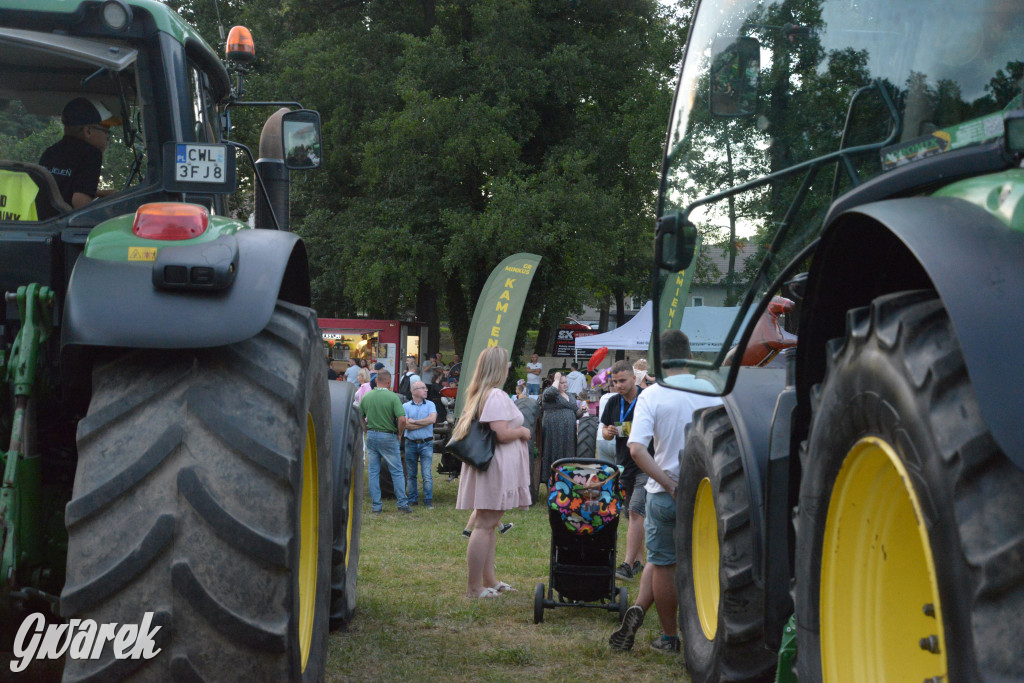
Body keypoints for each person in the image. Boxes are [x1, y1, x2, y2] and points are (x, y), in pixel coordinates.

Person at [609, 331, 721, 653]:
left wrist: (670, 484)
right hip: (707, 492)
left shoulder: (653, 395)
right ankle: (699, 624)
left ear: (660, 360)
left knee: (662, 562)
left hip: (665, 492)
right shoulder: (713, 391)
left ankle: (670, 638)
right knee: (699, 562)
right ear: (689, 354)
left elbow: (636, 449)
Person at [455, 346, 531, 598]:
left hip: (490, 467)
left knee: (487, 524)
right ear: (500, 367)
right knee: (485, 524)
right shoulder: (496, 395)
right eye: (507, 364)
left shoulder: (481, 393)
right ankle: (474, 587)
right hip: (495, 468)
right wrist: (523, 432)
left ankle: (488, 580)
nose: (509, 367)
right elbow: (501, 433)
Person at [600, 360, 648, 581]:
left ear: (633, 378)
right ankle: (640, 561)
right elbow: (605, 433)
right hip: (623, 464)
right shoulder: (612, 402)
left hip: (647, 464)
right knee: (630, 514)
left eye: (622, 381)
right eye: (615, 381)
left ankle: (627, 565)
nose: (618, 385)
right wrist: (609, 432)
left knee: (636, 511)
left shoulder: (647, 399)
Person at [38, 97, 120, 209]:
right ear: (88, 131)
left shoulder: (50, 152)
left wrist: (98, 193)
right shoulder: (91, 154)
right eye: (106, 131)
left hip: (43, 221)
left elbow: (62, 189)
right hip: (65, 224)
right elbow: (79, 202)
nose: (107, 137)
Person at [359, 370, 412, 514]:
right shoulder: (392, 397)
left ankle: (376, 506)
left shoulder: (367, 396)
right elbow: (402, 419)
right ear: (389, 382)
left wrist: (366, 430)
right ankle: (402, 503)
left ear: (376, 381)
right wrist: (400, 434)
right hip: (388, 436)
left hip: (371, 435)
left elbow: (360, 416)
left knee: (373, 472)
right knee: (396, 471)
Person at [539, 372, 580, 484]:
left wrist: (582, 410)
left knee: (568, 454)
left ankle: (567, 480)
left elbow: (576, 412)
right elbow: (549, 393)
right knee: (554, 453)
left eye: (565, 382)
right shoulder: (550, 394)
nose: (565, 384)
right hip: (554, 432)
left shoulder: (570, 395)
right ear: (555, 383)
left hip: (569, 434)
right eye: (561, 382)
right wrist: (556, 380)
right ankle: (551, 481)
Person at [403, 381, 437, 508]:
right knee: (411, 474)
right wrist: (424, 422)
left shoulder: (431, 405)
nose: (426, 390)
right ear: (414, 391)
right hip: (410, 444)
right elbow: (405, 424)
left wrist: (414, 422)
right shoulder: (405, 406)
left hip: (426, 444)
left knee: (426, 473)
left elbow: (432, 420)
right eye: (423, 388)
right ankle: (413, 499)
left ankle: (428, 500)